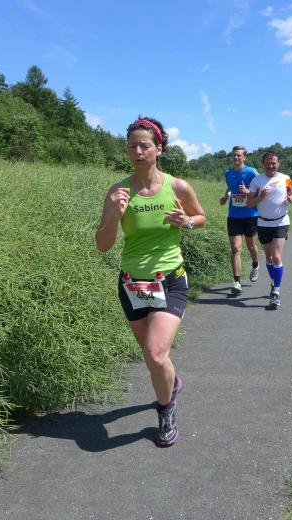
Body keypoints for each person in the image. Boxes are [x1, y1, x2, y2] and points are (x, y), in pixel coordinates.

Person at [95, 116, 206, 447]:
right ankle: (170, 381)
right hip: (132, 285)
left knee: (156, 354)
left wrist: (187, 222)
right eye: (132, 146)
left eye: (144, 145)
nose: (137, 152)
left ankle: (166, 411)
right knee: (152, 356)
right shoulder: (118, 192)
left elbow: (201, 217)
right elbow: (102, 245)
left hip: (170, 280)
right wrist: (114, 216)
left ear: (159, 149)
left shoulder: (177, 187)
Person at [246, 150, 292, 308]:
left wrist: (291, 198)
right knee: (268, 258)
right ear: (263, 164)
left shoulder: (286, 178)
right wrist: (260, 197)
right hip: (263, 223)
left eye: (274, 163)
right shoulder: (257, 181)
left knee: (276, 256)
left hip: (281, 222)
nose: (271, 165)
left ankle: (276, 292)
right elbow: (249, 203)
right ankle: (274, 282)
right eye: (268, 163)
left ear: (278, 163)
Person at [218, 146, 260, 296]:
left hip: (250, 215)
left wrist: (247, 192)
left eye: (239, 155)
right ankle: (237, 282)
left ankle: (255, 265)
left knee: (251, 245)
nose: (236, 158)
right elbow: (230, 187)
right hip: (234, 215)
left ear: (244, 157)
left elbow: (261, 189)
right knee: (236, 248)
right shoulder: (228, 173)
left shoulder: (252, 172)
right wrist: (225, 197)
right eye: (234, 155)